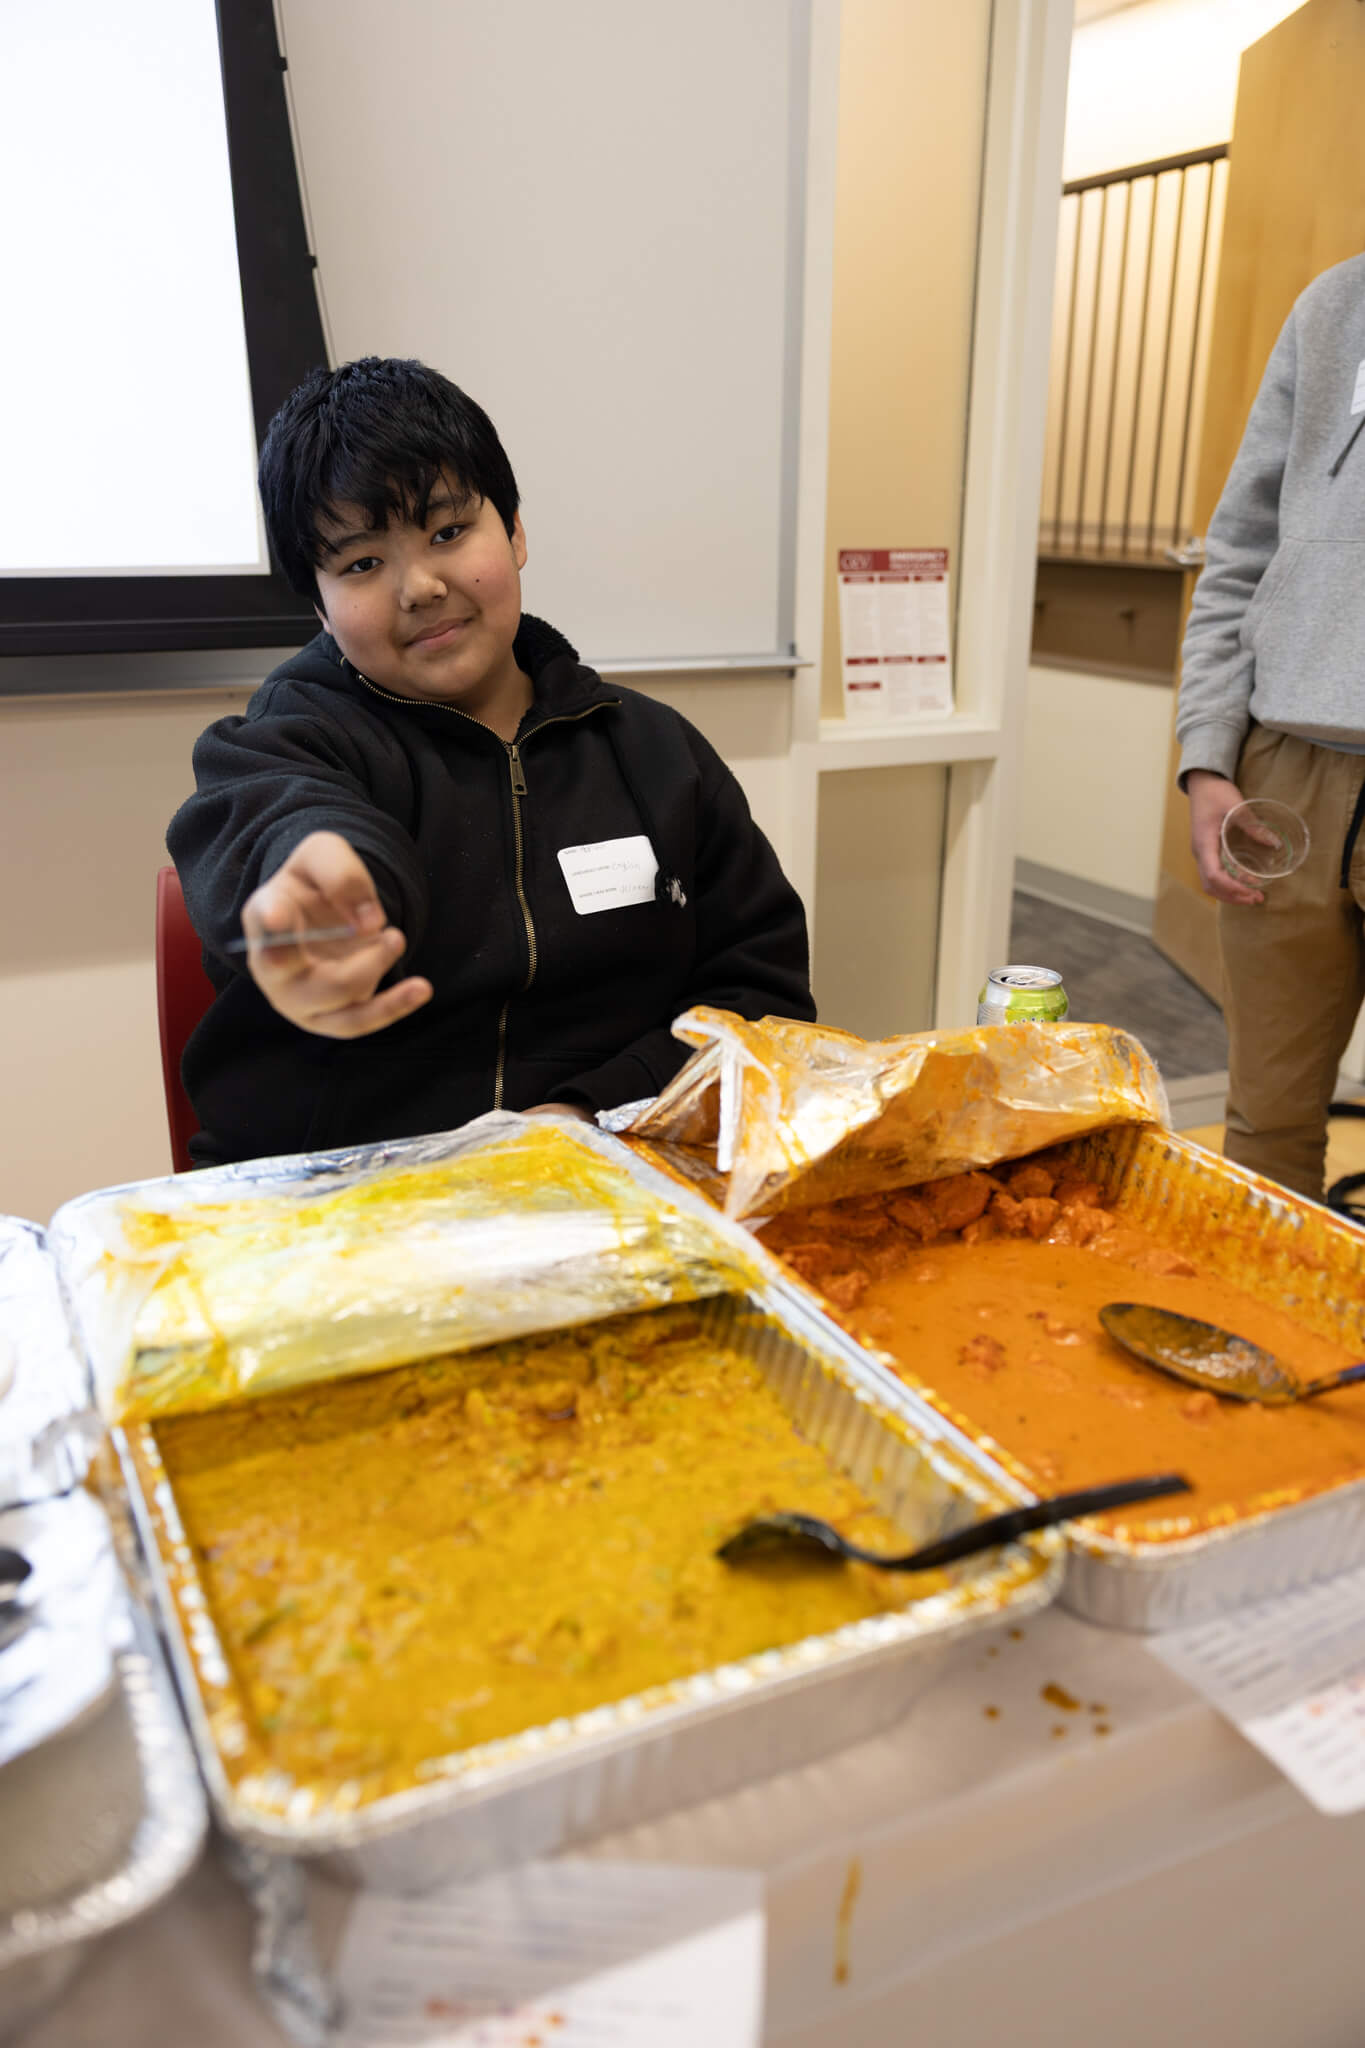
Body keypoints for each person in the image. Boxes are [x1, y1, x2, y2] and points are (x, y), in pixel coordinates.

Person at [168, 357, 815, 1165]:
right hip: (343, 1200)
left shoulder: (658, 753)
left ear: (513, 531)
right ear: (319, 607)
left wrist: (589, 1114)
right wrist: (325, 881)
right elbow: (284, 820)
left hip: (609, 1179)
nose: (420, 586)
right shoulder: (282, 743)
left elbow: (761, 1003)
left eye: (447, 533)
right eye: (362, 563)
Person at [1176, 251, 1365, 1203]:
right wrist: (1207, 754)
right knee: (1266, 1120)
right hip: (1284, 769)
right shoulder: (1334, 302)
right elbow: (1242, 544)